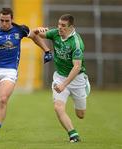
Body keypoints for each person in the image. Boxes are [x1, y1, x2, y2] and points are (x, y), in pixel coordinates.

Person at [0, 7, 52, 142]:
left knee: (2, 99)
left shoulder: (20, 29)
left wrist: (47, 50)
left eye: (7, 21)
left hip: (9, 71)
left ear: (12, 19)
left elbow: (34, 36)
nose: (4, 23)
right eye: (2, 20)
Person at [33, 14, 90, 142]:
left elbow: (76, 67)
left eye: (63, 26)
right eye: (59, 24)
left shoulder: (77, 43)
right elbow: (33, 34)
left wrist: (64, 85)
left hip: (77, 79)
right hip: (59, 77)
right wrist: (38, 30)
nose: (60, 28)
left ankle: (86, 85)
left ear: (71, 27)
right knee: (58, 107)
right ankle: (73, 135)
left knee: (81, 115)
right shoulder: (55, 33)